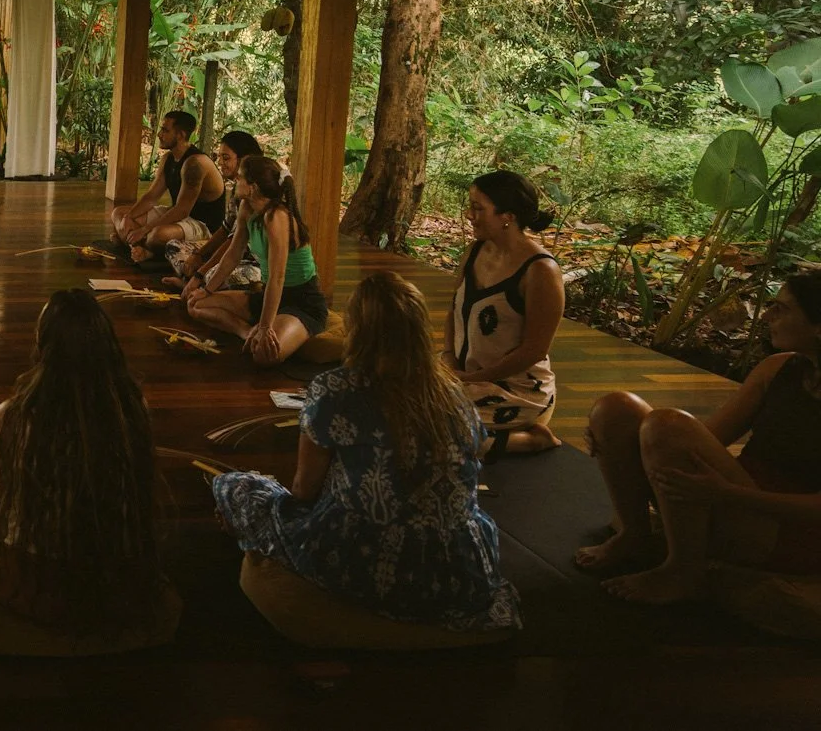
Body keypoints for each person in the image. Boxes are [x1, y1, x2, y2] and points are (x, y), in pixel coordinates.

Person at [213, 271, 521, 634]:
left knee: (235, 487)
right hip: (459, 569)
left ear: (357, 330)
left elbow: (302, 491)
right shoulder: (452, 394)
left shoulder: (336, 389)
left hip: (365, 560)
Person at [0, 289, 177, 639]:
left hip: (37, 586)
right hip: (115, 581)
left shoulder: (15, 413)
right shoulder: (131, 407)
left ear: (43, 347)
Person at [575, 272, 821, 604]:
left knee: (667, 424)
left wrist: (728, 493)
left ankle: (683, 570)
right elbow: (704, 439)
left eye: (782, 309)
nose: (767, 316)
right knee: (615, 409)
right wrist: (617, 442)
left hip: (789, 528)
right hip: (737, 494)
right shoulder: (777, 368)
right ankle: (634, 534)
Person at [447, 170, 565, 455]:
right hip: (467, 377)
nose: (469, 215)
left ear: (507, 216)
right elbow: (454, 312)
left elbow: (534, 350)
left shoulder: (540, 271)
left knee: (429, 430)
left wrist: (471, 379)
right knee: (397, 402)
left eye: (478, 208)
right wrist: (451, 364)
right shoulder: (474, 252)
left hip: (515, 389)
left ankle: (530, 439)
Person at [185, 154, 327, 365]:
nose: (235, 180)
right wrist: (206, 289)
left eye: (240, 177)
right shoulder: (247, 208)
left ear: (253, 187)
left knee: (263, 355)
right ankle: (245, 332)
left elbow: (277, 278)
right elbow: (233, 254)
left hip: (301, 301)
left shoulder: (276, 217)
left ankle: (274, 330)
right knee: (196, 305)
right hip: (268, 295)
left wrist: (265, 327)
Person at [110, 111, 226, 264]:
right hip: (178, 215)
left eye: (165, 130)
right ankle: (141, 247)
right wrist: (129, 218)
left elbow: (182, 210)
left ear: (180, 135)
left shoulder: (195, 163)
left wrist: (144, 229)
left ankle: (143, 248)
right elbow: (152, 196)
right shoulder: (168, 158)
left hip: (203, 225)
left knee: (157, 235)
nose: (159, 134)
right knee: (119, 213)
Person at [168, 130, 264, 294]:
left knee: (213, 274)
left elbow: (234, 245)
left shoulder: (255, 193)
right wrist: (199, 254)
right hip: (233, 255)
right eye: (219, 157)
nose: (219, 162)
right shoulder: (237, 188)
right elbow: (225, 229)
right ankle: (195, 284)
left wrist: (201, 272)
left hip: (252, 262)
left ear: (243, 160)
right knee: (174, 246)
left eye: (225, 158)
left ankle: (196, 285)